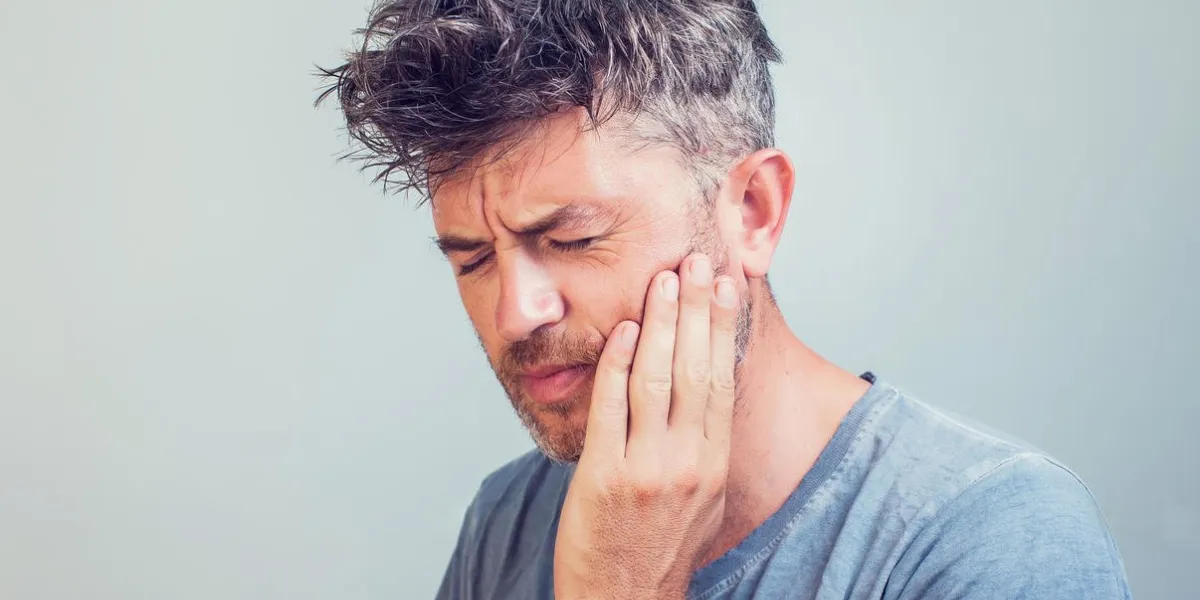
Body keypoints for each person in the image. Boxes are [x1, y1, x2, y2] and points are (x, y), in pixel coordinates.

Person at [317, 1, 1132, 598]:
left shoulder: (989, 537)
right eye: (471, 260)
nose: (514, 313)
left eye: (571, 240)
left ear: (752, 213)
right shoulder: (507, 516)